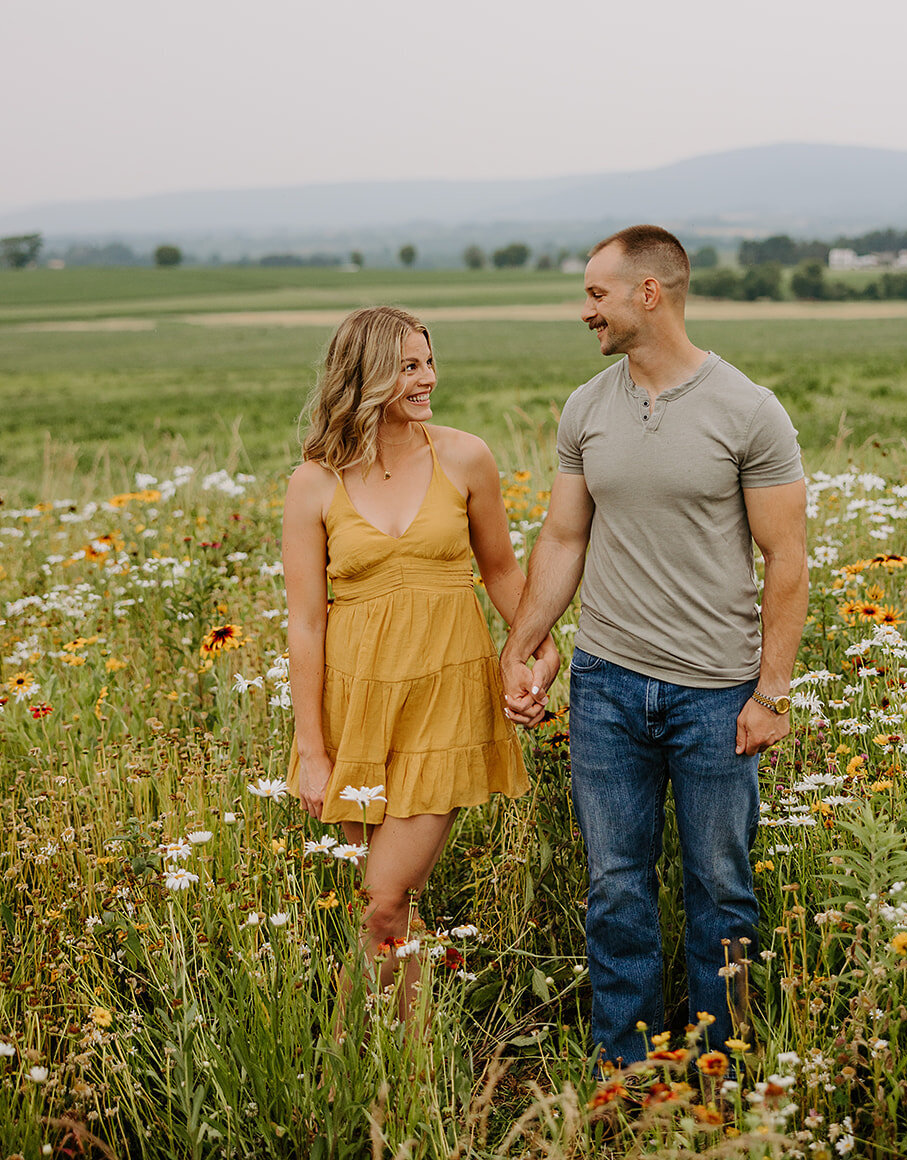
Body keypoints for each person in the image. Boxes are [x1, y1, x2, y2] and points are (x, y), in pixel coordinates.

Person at [501, 226, 808, 1068]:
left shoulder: (747, 409)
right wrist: (521, 644)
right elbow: (563, 539)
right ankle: (624, 1073)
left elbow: (787, 559)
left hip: (715, 692)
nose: (583, 310)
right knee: (615, 891)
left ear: (649, 293)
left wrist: (769, 694)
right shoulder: (586, 407)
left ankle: (725, 1074)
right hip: (604, 684)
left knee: (720, 891)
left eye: (596, 293)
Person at [284, 305, 557, 1019]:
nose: (428, 377)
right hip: (355, 709)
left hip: (446, 698)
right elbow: (306, 624)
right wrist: (312, 753)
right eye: (409, 366)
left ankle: (345, 1064)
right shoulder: (313, 482)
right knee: (382, 912)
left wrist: (534, 645)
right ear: (366, 374)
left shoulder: (464, 456)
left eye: (428, 361)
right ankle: (405, 1069)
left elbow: (501, 573)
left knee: (382, 900)